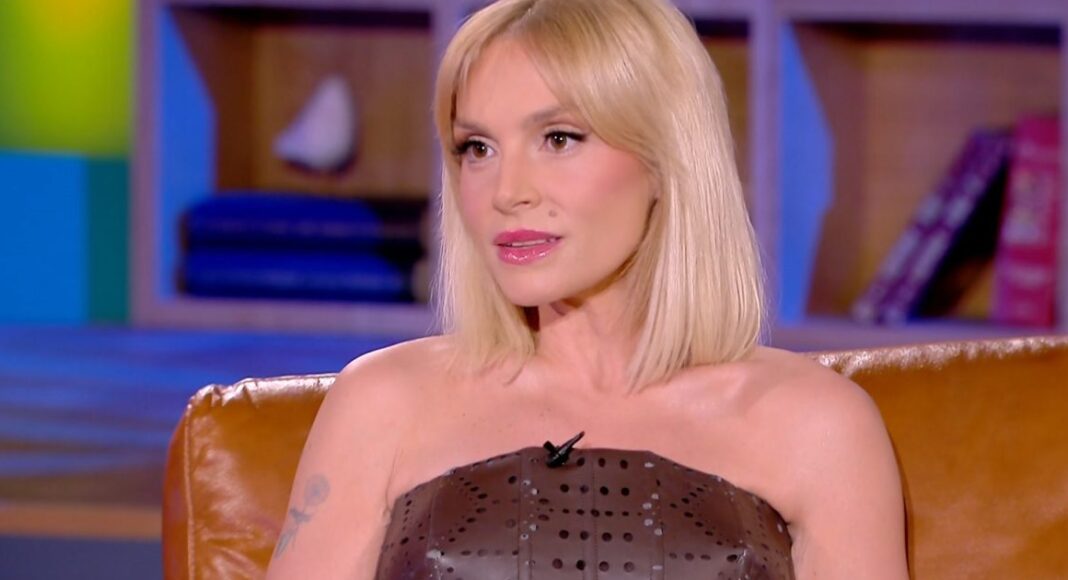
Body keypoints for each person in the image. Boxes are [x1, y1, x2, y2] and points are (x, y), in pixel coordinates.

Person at [265, 0, 907, 578]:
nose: (507, 191)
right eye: (477, 148)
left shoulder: (817, 424)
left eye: (558, 138)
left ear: (665, 160)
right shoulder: (382, 403)